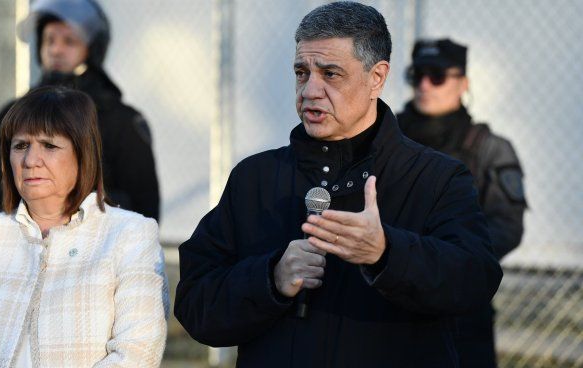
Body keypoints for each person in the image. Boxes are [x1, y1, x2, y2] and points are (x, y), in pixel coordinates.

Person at [174, 2, 502, 367]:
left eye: (330, 74)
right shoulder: (255, 178)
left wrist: (387, 253)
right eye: (302, 72)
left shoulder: (436, 177)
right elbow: (194, 305)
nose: (310, 90)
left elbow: (475, 282)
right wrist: (271, 278)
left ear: (377, 77)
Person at [0, 86, 168, 367]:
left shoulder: (129, 235)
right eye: (20, 146)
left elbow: (137, 352)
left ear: (83, 153)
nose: (30, 161)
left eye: (49, 145)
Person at [397, 38, 527, 367]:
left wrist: (443, 260)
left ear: (463, 83)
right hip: (389, 297)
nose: (425, 85)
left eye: (437, 75)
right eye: (417, 74)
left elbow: (507, 226)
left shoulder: (488, 148)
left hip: (459, 304)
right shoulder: (385, 139)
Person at [0, 0, 160, 221]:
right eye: (49, 40)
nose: (56, 50)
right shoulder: (13, 114)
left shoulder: (123, 122)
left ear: (93, 49)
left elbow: (144, 211)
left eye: (69, 41)